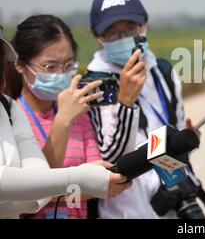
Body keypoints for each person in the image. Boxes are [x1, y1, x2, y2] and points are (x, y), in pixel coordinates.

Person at [86, 0, 205, 219]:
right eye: (113, 32)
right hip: (125, 211)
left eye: (130, 29)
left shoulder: (162, 71)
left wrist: (185, 139)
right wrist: (126, 103)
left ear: (144, 26)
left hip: (171, 202)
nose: (123, 39)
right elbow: (109, 164)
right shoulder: (93, 85)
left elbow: (170, 133)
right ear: (98, 38)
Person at [0, 24, 131, 219]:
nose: (61, 73)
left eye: (69, 65)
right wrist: (78, 178)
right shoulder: (31, 112)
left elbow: (35, 193)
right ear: (20, 65)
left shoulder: (9, 109)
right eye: (50, 67)